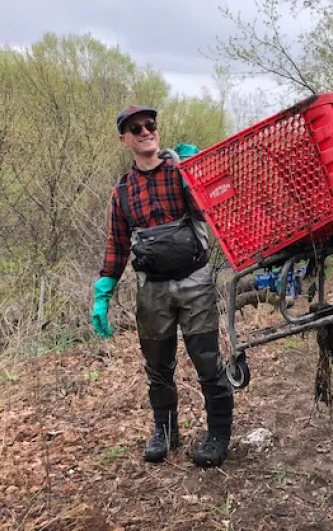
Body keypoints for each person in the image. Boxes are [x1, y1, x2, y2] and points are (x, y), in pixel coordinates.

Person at [91, 105, 234, 468]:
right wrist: (103, 293)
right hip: (151, 290)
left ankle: (218, 435)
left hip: (196, 282)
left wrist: (199, 171)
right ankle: (166, 432)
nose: (144, 132)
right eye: (135, 128)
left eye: (149, 125)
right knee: (157, 366)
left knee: (207, 362)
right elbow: (117, 245)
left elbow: (215, 207)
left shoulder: (180, 173)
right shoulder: (121, 192)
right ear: (124, 139)